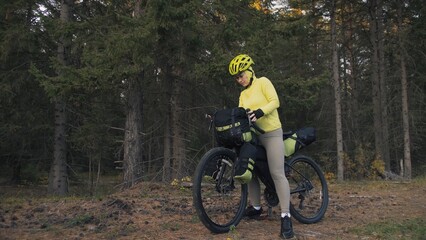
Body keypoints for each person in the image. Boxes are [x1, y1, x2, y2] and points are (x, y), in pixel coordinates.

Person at [228, 54, 294, 239]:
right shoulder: (242, 95)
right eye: (237, 78)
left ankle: (286, 216)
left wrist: (259, 112)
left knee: (277, 173)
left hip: (272, 133)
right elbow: (242, 115)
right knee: (250, 170)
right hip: (255, 136)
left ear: (250, 70)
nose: (239, 79)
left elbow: (275, 102)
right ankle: (256, 207)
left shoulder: (263, 82)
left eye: (241, 75)